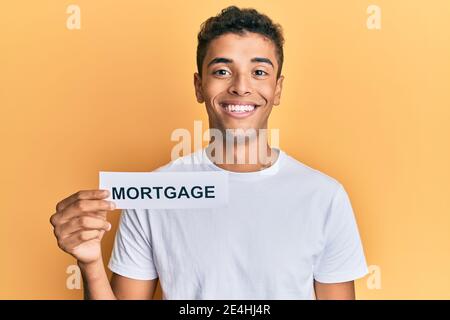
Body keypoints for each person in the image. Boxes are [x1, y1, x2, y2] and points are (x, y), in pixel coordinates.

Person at [50, 6, 368, 300]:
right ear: (199, 86)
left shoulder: (324, 197)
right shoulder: (155, 192)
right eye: (222, 71)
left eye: (259, 72)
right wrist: (90, 265)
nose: (241, 87)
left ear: (278, 89)